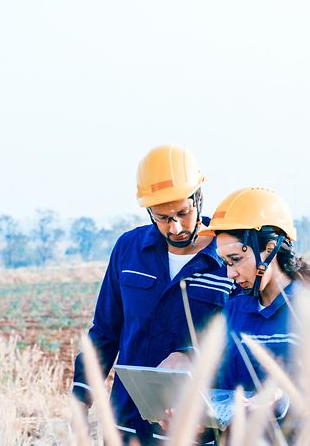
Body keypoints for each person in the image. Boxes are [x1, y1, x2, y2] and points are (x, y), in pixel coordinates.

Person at [72, 145, 237, 445]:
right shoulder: (128, 250)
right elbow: (105, 332)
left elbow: (241, 340)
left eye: (183, 213)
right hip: (125, 426)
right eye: (162, 217)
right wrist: (81, 396)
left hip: (191, 430)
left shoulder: (231, 258)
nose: (174, 227)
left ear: (199, 197)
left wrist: (191, 356)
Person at [197, 187, 310, 434]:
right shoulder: (233, 311)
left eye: (235, 259)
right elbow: (216, 387)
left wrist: (282, 398)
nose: (230, 273)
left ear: (269, 249)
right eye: (225, 262)